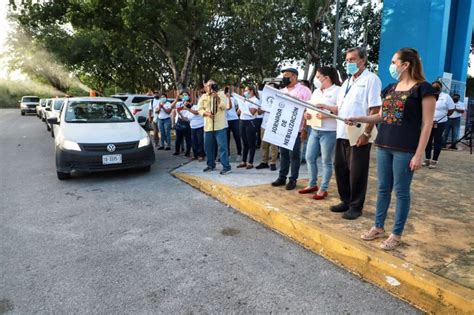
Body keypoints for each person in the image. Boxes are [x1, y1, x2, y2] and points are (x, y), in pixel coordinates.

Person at [347, 48, 436, 250]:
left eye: (394, 62)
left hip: (405, 150)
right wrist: (359, 118)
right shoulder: (390, 88)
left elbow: (428, 123)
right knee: (382, 189)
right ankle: (378, 227)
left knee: (401, 192)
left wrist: (419, 153)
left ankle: (396, 234)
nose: (391, 66)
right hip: (383, 145)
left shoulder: (424, 89)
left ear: (406, 65)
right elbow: (381, 116)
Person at [331, 47, 382, 220]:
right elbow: (340, 107)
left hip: (359, 133)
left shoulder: (371, 79)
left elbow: (375, 108)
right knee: (340, 167)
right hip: (341, 132)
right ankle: (345, 200)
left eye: (352, 59)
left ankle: (356, 205)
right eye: (347, 60)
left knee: (357, 171)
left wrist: (366, 134)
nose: (349, 63)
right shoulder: (346, 82)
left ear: (363, 60)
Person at [299, 66, 340, 200]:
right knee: (310, 157)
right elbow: (310, 107)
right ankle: (312, 184)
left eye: (318, 77)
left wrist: (327, 115)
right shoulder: (316, 91)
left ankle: (323, 188)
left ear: (326, 77)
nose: (316, 79)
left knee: (326, 161)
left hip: (329, 131)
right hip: (315, 129)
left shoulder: (337, 91)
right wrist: (307, 115)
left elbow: (341, 110)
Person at [271, 68, 311, 190]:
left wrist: (304, 128)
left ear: (294, 76)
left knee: (294, 155)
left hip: (297, 128)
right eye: (283, 76)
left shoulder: (304, 90)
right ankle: (282, 177)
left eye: (287, 76)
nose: (284, 78)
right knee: (283, 154)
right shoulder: (282, 91)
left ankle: (293, 179)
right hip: (283, 127)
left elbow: (308, 110)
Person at [198, 80, 231, 175]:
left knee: (222, 147)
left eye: (211, 85)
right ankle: (210, 165)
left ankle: (226, 167)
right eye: (208, 86)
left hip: (220, 126)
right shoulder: (204, 96)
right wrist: (206, 113)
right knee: (208, 147)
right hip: (208, 126)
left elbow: (224, 106)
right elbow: (199, 109)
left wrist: (217, 97)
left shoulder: (221, 94)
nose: (209, 87)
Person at [423, 81, 454, 169]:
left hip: (440, 122)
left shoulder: (446, 97)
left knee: (437, 140)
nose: (435, 88)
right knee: (427, 140)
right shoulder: (428, 95)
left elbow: (451, 109)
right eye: (433, 86)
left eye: (437, 86)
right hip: (429, 121)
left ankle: (434, 160)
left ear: (441, 88)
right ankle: (427, 158)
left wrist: (443, 116)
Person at [256, 83, 279, 171]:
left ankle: (273, 162)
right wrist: (262, 109)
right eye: (268, 88)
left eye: (271, 88)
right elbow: (259, 112)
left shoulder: (279, 99)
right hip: (264, 124)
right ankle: (264, 162)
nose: (269, 89)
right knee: (264, 145)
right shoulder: (264, 99)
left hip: (274, 125)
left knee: (273, 145)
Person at [236, 86, 259, 169]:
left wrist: (244, 107)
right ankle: (244, 161)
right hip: (242, 121)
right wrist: (242, 104)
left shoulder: (255, 100)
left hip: (250, 122)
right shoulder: (244, 99)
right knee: (244, 143)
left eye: (246, 90)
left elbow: (252, 112)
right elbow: (238, 112)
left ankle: (250, 162)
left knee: (251, 143)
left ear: (251, 91)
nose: (244, 92)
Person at [172, 91, 192, 157]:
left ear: (189, 96)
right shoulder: (178, 103)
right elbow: (174, 108)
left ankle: (188, 152)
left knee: (188, 138)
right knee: (178, 138)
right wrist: (176, 99)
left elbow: (191, 111)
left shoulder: (191, 104)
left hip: (187, 122)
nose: (184, 96)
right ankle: (177, 151)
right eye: (183, 95)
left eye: (186, 95)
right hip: (180, 121)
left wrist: (187, 105)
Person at [225, 88, 242, 158]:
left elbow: (240, 105)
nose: (228, 93)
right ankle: (228, 154)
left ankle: (239, 153)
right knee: (227, 138)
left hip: (235, 119)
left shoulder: (233, 99)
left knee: (237, 137)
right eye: (227, 92)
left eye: (229, 92)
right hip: (226, 120)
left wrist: (237, 112)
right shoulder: (222, 99)